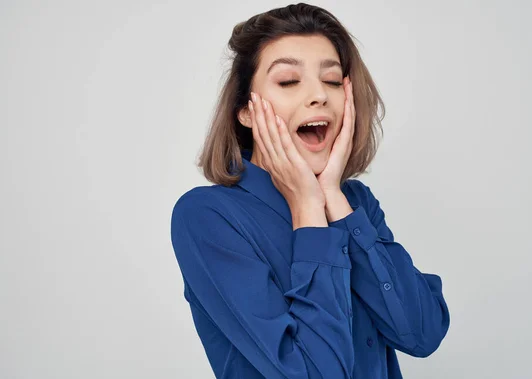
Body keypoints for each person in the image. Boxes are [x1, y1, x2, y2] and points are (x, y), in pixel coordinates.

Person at [170, 3, 450, 378]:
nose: (319, 95)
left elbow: (423, 334)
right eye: (288, 81)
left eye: (333, 81)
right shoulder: (206, 217)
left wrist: (333, 197)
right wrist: (306, 207)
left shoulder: (356, 203)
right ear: (246, 111)